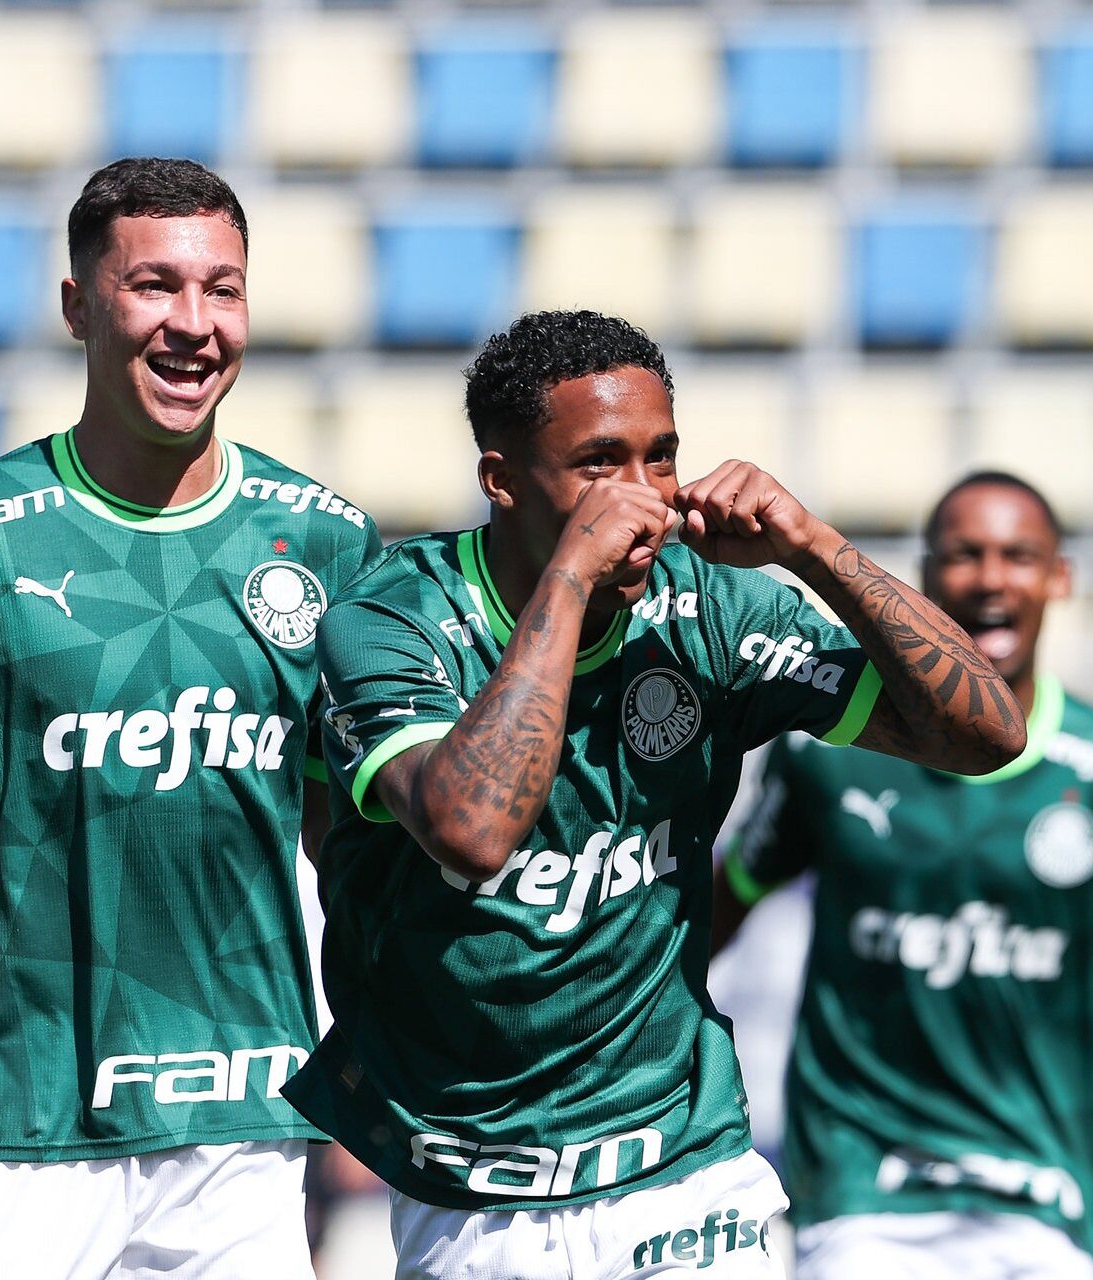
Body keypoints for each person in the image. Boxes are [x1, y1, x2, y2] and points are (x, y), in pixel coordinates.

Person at [281, 310, 1026, 1279]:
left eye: (660, 457)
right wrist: (569, 579)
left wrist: (811, 547)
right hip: (472, 1188)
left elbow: (984, 732)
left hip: (679, 1164)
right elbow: (472, 830)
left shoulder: (706, 606)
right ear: (501, 479)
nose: (640, 497)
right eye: (598, 463)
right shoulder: (389, 619)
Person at [0, 157, 381, 1278]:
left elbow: (349, 838)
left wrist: (380, 1018)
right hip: (16, 1114)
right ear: (78, 303)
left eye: (222, 289)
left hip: (248, 1110)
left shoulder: (325, 539)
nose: (194, 323)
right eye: (155, 286)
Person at [711, 471, 1093, 1280]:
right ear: (926, 575)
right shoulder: (826, 752)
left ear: (1059, 578)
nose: (990, 578)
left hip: (1041, 1197)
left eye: (1018, 556)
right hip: (861, 1189)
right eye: (964, 555)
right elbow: (722, 909)